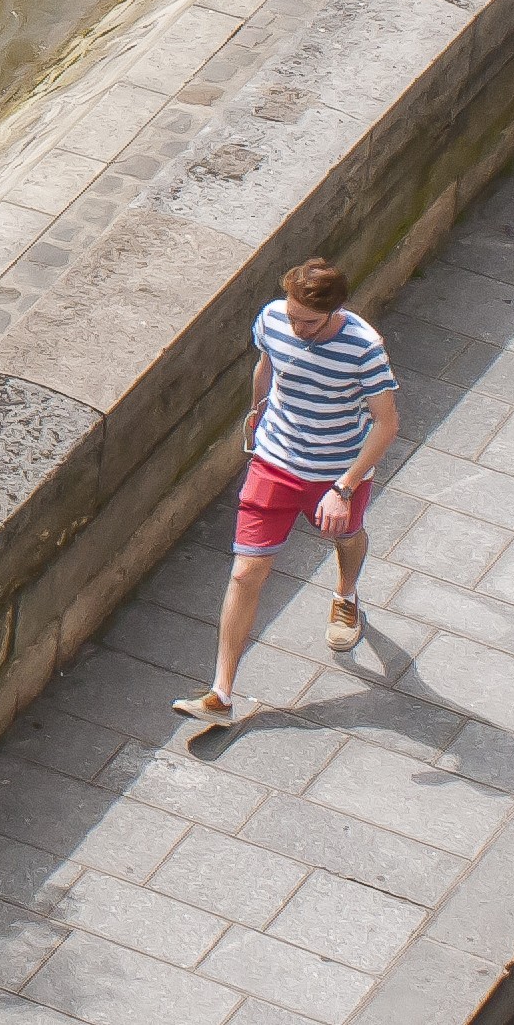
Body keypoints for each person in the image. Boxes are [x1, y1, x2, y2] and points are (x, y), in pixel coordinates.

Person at [176, 255, 397, 723]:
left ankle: (346, 596)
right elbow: (266, 366)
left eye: (309, 322)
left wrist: (344, 487)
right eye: (293, 315)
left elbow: (386, 424)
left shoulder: (364, 348)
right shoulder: (273, 318)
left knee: (346, 536)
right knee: (245, 572)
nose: (297, 328)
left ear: (336, 311)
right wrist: (256, 412)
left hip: (336, 471)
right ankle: (221, 694)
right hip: (275, 462)